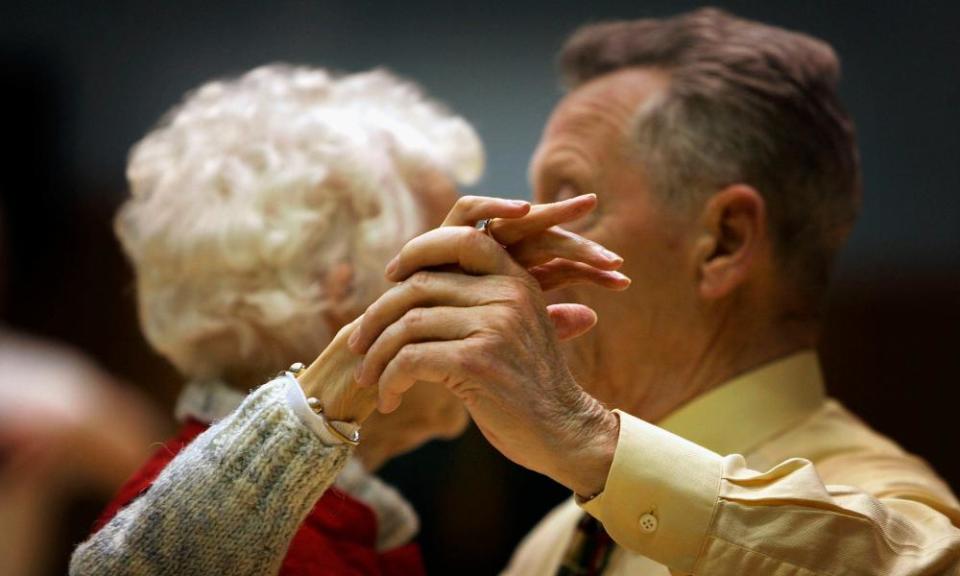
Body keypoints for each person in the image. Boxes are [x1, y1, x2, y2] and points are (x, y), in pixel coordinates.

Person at [347, 8, 960, 575]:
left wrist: (587, 442)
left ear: (722, 241)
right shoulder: (556, 539)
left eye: (570, 202)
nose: (517, 253)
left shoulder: (889, 500)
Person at [70, 64, 628, 575]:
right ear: (340, 294)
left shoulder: (339, 516)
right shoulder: (223, 533)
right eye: (452, 260)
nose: (495, 286)